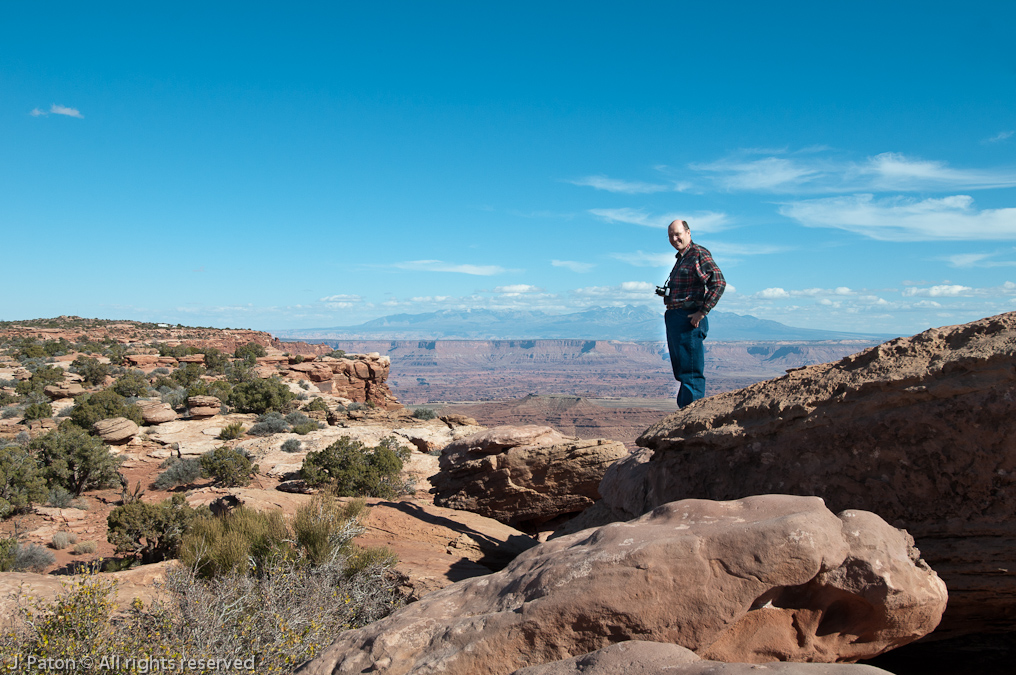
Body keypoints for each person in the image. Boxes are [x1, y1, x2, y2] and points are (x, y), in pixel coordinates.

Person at [660, 219, 726, 408]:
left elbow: (719, 282)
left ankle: (691, 419)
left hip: (688, 318)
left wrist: (702, 312)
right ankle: (684, 414)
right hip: (676, 317)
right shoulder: (682, 257)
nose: (674, 238)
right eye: (671, 235)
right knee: (682, 371)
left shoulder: (698, 253)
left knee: (690, 371)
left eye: (678, 234)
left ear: (688, 232)